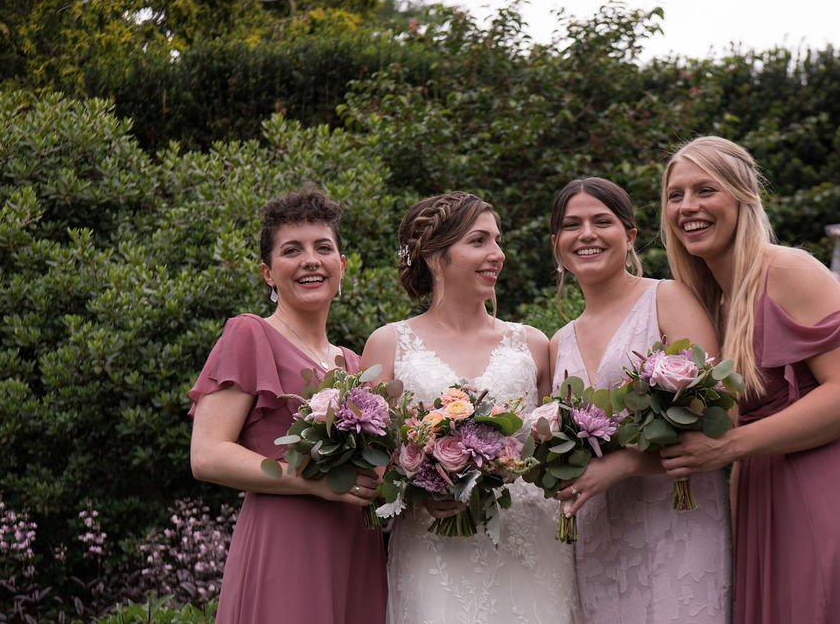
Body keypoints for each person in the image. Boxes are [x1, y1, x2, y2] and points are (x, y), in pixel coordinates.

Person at [656, 136, 840, 624]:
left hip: (833, 507)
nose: (688, 207)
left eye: (705, 190)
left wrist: (727, 447)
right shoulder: (711, 302)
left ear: (743, 196)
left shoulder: (788, 270)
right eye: (675, 195)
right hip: (766, 508)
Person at [362, 191, 580, 624]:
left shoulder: (532, 344)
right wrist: (419, 492)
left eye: (497, 240)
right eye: (479, 241)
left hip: (528, 541)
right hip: (435, 546)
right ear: (434, 255)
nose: (496, 254)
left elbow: (553, 449)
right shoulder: (388, 344)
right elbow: (374, 461)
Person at [188, 187, 387, 624]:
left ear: (342, 266)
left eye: (323, 248)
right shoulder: (249, 335)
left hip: (355, 543)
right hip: (286, 538)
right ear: (268, 273)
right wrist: (309, 481)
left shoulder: (356, 364)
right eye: (291, 251)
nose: (310, 260)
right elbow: (207, 455)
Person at [548, 177, 732, 624]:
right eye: (572, 225)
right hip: (596, 541)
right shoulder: (559, 341)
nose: (586, 234)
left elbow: (720, 418)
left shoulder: (667, 298)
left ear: (629, 235)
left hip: (675, 520)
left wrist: (625, 464)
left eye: (602, 221)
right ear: (556, 245)